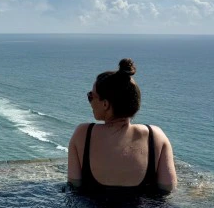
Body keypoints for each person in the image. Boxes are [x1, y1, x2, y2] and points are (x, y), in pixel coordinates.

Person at [68, 58, 177, 194]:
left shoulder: (83, 134)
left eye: (91, 96)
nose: (89, 101)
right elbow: (168, 188)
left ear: (105, 104)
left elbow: (74, 186)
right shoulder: (156, 136)